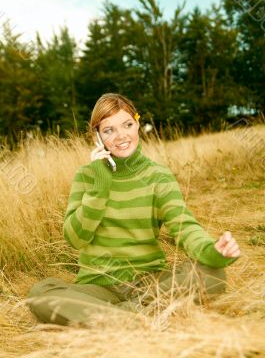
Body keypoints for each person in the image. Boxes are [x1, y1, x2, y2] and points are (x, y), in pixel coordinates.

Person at [27, 93, 241, 326]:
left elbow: (184, 227)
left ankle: (115, 318)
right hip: (98, 286)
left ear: (137, 124)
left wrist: (213, 251)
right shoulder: (86, 176)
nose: (121, 136)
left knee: (213, 275)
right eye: (109, 130)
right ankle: (137, 317)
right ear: (97, 136)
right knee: (41, 293)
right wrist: (100, 186)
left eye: (127, 125)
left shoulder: (158, 176)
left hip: (149, 284)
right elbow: (76, 239)